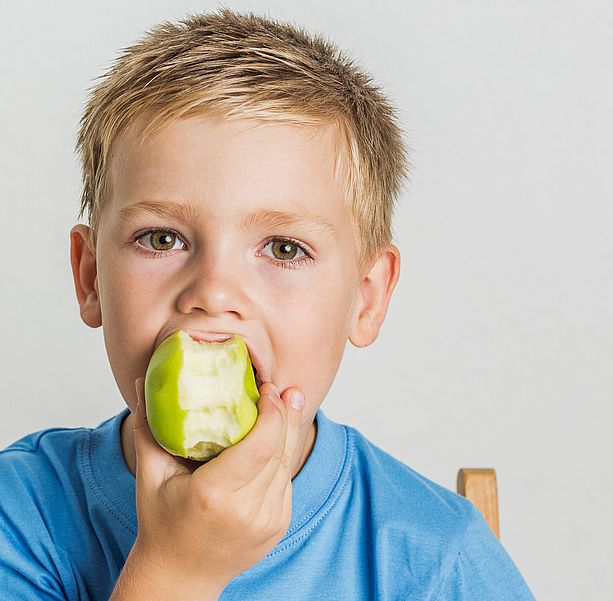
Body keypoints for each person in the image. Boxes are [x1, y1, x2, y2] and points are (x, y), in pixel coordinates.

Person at [0, 8, 535, 600]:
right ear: (91, 276)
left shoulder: (435, 561)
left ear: (366, 297)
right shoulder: (21, 517)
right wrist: (178, 569)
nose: (214, 293)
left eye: (283, 248)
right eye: (162, 239)